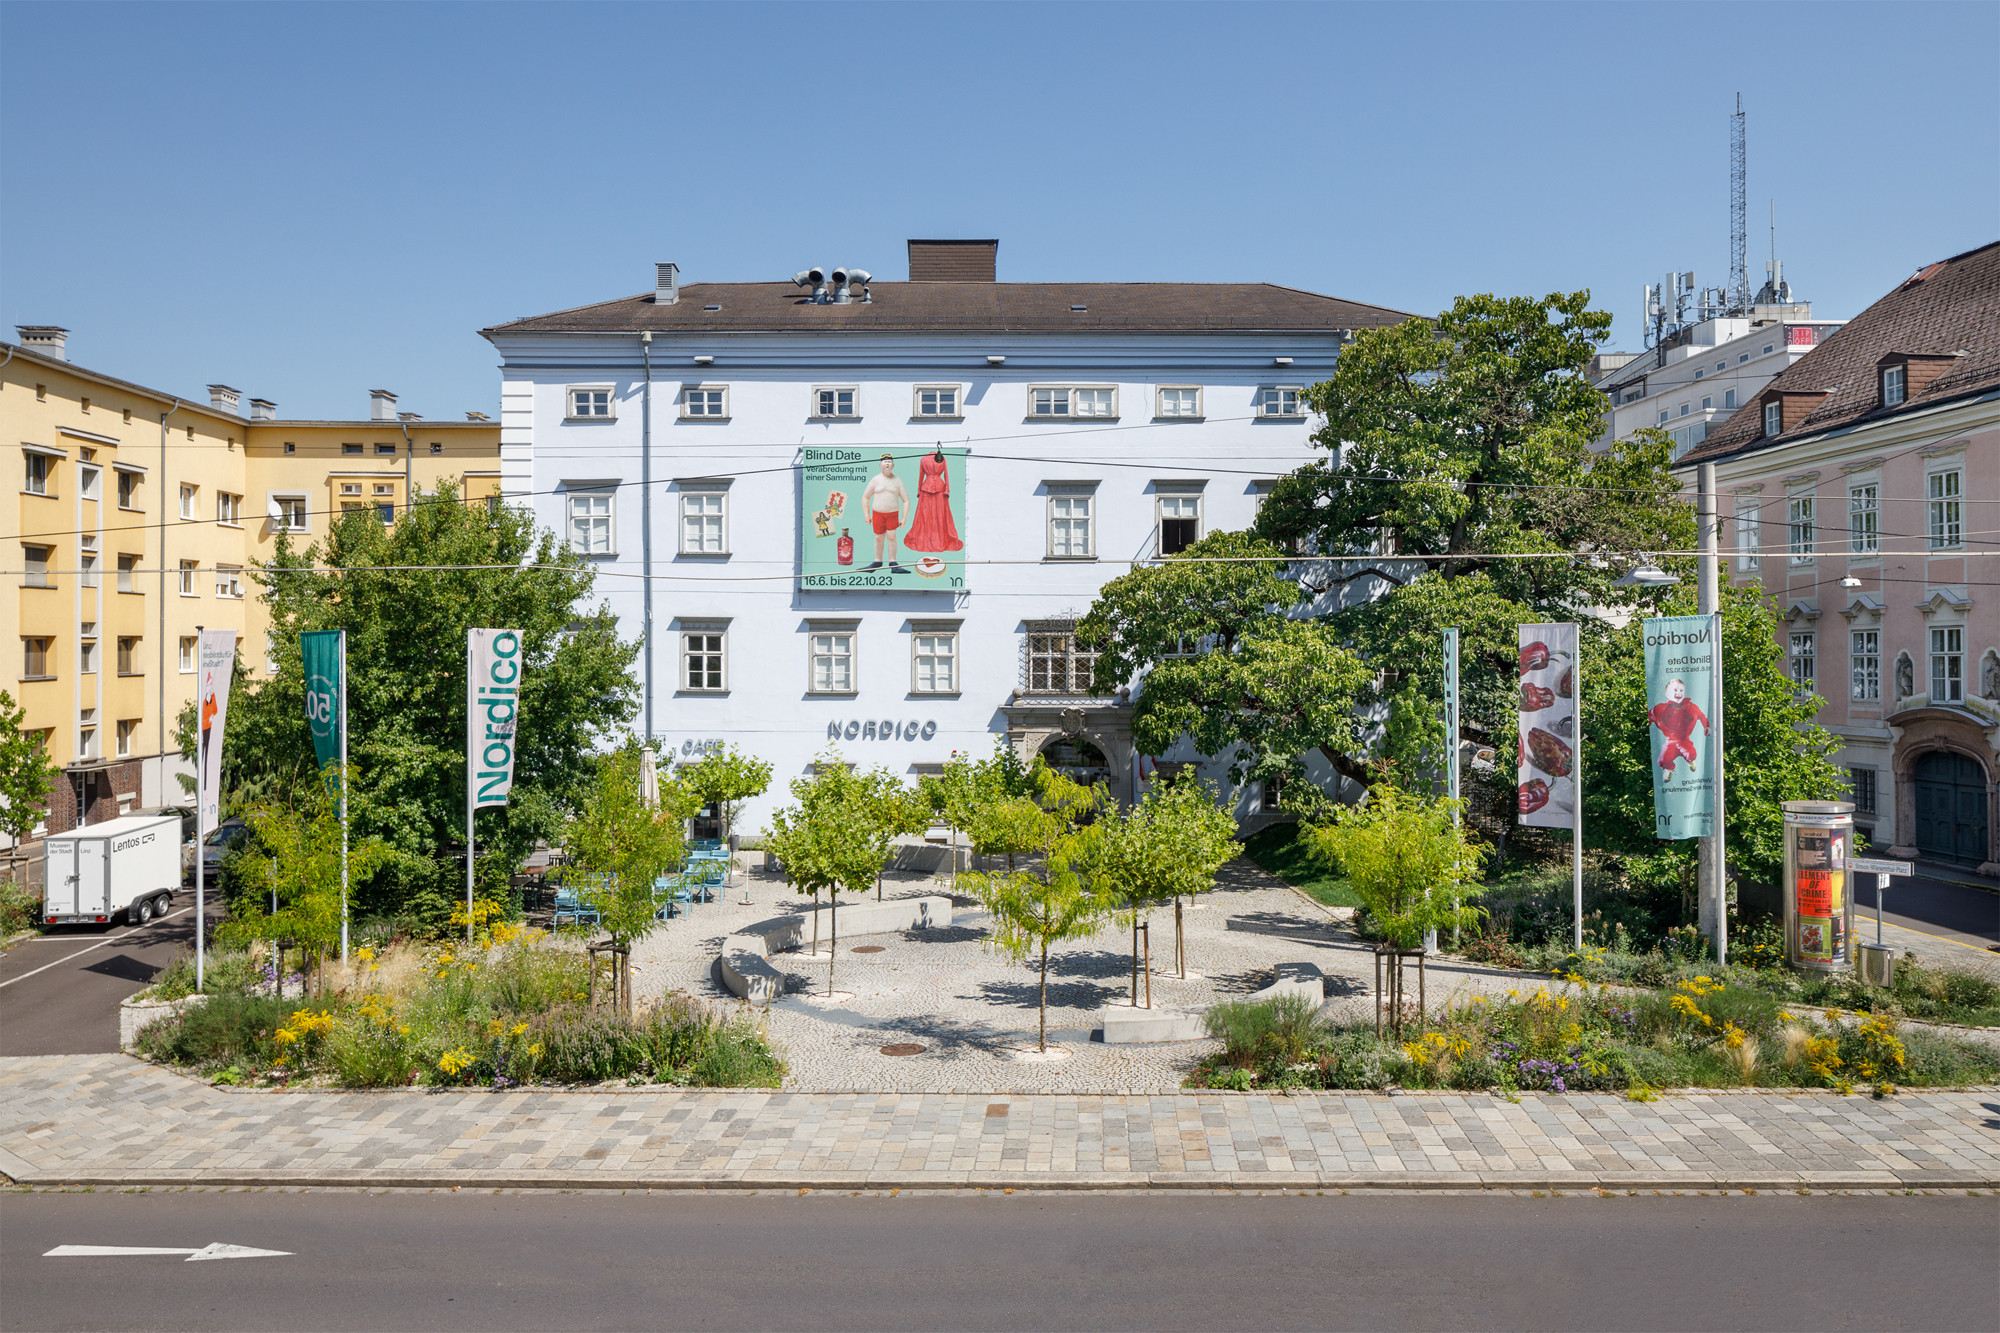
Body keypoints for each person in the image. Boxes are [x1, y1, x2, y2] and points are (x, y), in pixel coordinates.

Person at [903, 446, 964, 553]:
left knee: (926, 515)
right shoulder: (941, 458)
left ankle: (934, 540)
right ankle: (937, 540)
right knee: (938, 514)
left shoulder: (923, 459)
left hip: (926, 489)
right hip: (940, 489)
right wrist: (947, 490)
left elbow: (921, 476)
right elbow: (946, 475)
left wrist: (919, 490)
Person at [858, 454, 910, 571]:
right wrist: (866, 514)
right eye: (885, 462)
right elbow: (865, 497)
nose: (887, 463)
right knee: (878, 537)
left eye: (890, 461)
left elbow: (906, 500)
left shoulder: (897, 481)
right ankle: (877, 561)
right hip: (878, 513)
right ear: (880, 465)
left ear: (893, 465)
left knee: (892, 537)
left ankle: (893, 562)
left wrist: (904, 518)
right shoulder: (875, 480)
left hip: (892, 513)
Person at [1648, 677, 1710, 773]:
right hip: (1670, 742)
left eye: (1681, 690)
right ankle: (1669, 769)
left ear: (1684, 693)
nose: (1678, 693)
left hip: (1684, 740)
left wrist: (1706, 726)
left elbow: (1702, 716)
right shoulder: (1660, 708)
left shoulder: (1691, 707)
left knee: (1691, 754)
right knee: (1661, 761)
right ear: (1667, 694)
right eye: (1675, 690)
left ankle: (1690, 761)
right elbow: (1650, 715)